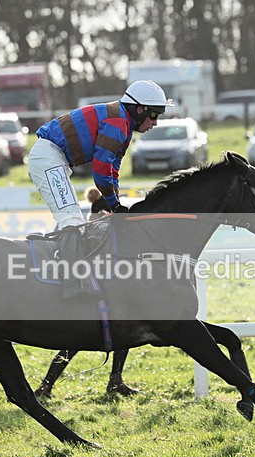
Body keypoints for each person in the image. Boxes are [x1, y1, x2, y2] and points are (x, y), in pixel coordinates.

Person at [27, 79, 172, 297]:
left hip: (53, 157)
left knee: (75, 221)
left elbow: (113, 169)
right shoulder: (117, 122)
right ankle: (71, 287)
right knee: (72, 221)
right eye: (154, 115)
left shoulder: (124, 124)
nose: (155, 123)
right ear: (140, 109)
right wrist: (114, 204)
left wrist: (115, 201)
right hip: (48, 157)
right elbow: (101, 168)